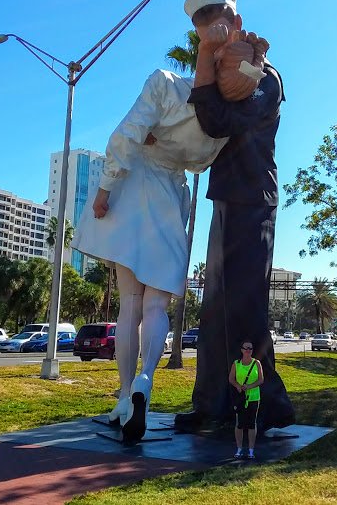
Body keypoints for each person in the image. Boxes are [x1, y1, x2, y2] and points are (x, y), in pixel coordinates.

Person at [71, 40, 263, 442]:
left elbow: (126, 135)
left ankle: (124, 398)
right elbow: (197, 163)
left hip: (135, 187)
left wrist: (104, 190)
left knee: (130, 304)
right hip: (172, 198)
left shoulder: (166, 83)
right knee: (157, 304)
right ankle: (145, 381)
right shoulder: (220, 126)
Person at [175, 0, 296, 433]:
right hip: (225, 196)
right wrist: (206, 55)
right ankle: (211, 405)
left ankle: (268, 405)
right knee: (214, 313)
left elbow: (219, 121)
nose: (214, 26)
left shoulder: (265, 75)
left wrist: (209, 58)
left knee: (245, 309)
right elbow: (207, 119)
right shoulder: (215, 70)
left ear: (237, 20)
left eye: (219, 16)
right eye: (203, 23)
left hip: (255, 199)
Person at [229, 340, 263, 459]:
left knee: (252, 423)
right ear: (242, 350)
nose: (248, 351)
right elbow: (231, 379)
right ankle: (239, 449)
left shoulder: (257, 363)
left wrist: (249, 386)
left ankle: (251, 450)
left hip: (253, 397)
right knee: (240, 424)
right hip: (241, 398)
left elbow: (260, 379)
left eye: (251, 349)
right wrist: (238, 386)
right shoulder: (236, 363)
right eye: (246, 348)